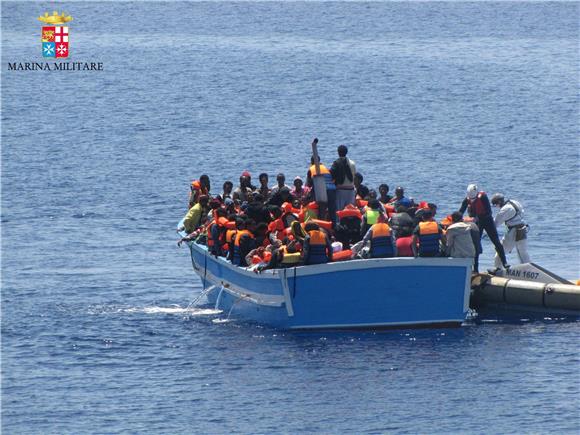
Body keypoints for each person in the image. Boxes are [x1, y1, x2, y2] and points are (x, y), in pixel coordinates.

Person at [459, 184, 509, 269]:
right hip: (477, 224)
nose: (472, 200)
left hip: (487, 221)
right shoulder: (467, 200)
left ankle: (505, 263)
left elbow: (488, 212)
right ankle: (475, 268)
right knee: (476, 244)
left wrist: (477, 218)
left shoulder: (483, 197)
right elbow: (460, 212)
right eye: (471, 199)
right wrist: (456, 220)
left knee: (496, 241)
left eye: (473, 199)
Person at [491, 193, 530, 268]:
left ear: (499, 202)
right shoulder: (514, 202)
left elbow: (495, 224)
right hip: (522, 230)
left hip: (512, 232)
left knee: (500, 252)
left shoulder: (504, 210)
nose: (496, 207)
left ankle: (497, 269)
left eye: (495, 205)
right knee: (523, 254)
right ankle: (529, 271)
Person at [306, 156, 337, 223]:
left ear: (311, 162)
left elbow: (309, 184)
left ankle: (321, 226)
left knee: (321, 210)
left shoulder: (311, 169)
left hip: (322, 190)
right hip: (332, 189)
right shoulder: (325, 168)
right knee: (332, 210)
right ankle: (334, 227)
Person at [330, 145, 356, 211]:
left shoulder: (336, 163)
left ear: (338, 152)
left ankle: (339, 221)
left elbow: (331, 174)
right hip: (351, 190)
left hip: (341, 190)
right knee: (350, 210)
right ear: (346, 152)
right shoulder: (352, 163)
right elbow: (354, 176)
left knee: (339, 210)